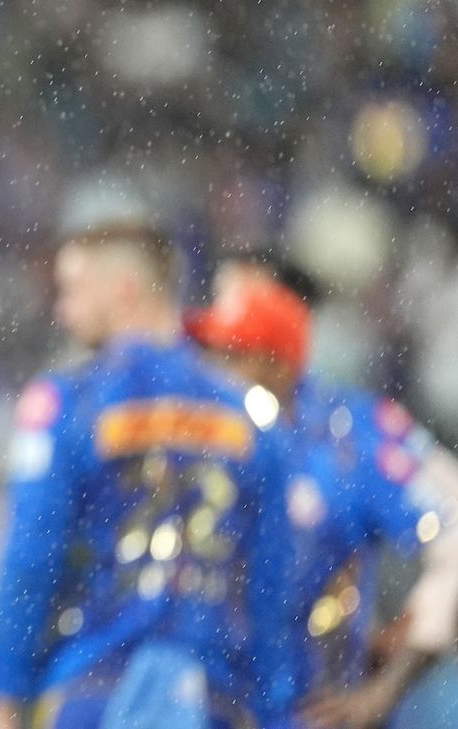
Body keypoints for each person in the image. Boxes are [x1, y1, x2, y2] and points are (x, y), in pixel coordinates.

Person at [0, 224, 301, 729]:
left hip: (93, 684)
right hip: (211, 696)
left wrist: (5, 692)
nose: (62, 310)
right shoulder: (250, 419)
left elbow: (31, 557)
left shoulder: (68, 402)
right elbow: (272, 583)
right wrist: (274, 707)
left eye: (73, 289)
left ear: (125, 289)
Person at [185, 265, 458, 729]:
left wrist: (388, 685)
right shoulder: (195, 433)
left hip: (306, 712)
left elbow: (453, 535)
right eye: (208, 354)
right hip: (200, 706)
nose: (211, 371)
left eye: (231, 355)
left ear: (277, 365)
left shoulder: (352, 434)